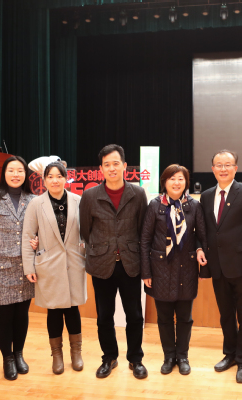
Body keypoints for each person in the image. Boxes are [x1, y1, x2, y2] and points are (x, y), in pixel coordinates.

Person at [79, 144, 149, 380]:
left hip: (130, 263)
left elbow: (142, 229)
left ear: (124, 166)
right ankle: (109, 357)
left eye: (115, 163)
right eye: (106, 164)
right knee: (104, 316)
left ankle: (136, 359)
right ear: (100, 169)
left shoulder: (138, 194)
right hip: (101, 263)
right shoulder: (90, 195)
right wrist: (103, 247)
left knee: (135, 315)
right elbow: (86, 230)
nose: (111, 168)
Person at [199, 149, 242, 384]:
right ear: (212, 169)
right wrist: (201, 252)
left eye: (228, 165)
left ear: (235, 168)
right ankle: (230, 354)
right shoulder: (206, 196)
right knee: (226, 315)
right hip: (218, 267)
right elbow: (204, 230)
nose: (223, 169)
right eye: (219, 165)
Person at [140, 164, 208, 375]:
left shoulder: (194, 206)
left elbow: (202, 236)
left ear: (186, 182)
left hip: (187, 269)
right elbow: (145, 240)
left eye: (180, 179)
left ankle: (183, 356)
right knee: (164, 318)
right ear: (164, 182)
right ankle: (169, 356)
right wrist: (146, 272)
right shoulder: (155, 205)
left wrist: (199, 249)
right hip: (160, 269)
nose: (176, 183)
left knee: (185, 318)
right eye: (172, 178)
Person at [22, 162, 87, 375]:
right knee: (54, 310)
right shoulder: (36, 203)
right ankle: (57, 355)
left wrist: (85, 249)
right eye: (50, 176)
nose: (55, 180)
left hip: (73, 263)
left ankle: (76, 353)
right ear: (44, 180)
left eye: (59, 176)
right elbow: (28, 236)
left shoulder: (78, 200)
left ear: (66, 178)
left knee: (73, 308)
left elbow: (86, 231)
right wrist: (29, 266)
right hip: (48, 265)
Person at [0, 156, 36, 381]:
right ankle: (7, 358)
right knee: (3, 316)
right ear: (4, 173)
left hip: (25, 267)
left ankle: (19, 353)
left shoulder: (33, 199)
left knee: (22, 314)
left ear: (26, 174)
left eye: (20, 170)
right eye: (11, 170)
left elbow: (39, 229)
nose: (15, 174)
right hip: (0, 267)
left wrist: (38, 241)